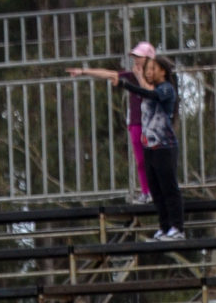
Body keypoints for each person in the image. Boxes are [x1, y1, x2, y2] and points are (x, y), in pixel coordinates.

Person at [68, 40, 156, 203]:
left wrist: (139, 77)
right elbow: (108, 74)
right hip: (136, 123)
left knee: (156, 159)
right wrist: (83, 71)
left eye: (139, 57)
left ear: (149, 58)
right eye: (135, 57)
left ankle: (158, 190)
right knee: (141, 161)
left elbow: (151, 93)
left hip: (153, 124)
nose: (136, 60)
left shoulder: (157, 77)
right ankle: (146, 192)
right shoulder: (130, 75)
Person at [119, 55, 184, 240]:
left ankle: (177, 228)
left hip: (165, 146)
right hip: (150, 147)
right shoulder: (151, 89)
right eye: (147, 69)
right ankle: (164, 227)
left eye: (152, 68)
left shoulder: (166, 89)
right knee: (156, 190)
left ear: (162, 71)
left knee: (169, 188)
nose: (149, 72)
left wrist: (126, 84)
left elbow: (151, 95)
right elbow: (145, 92)